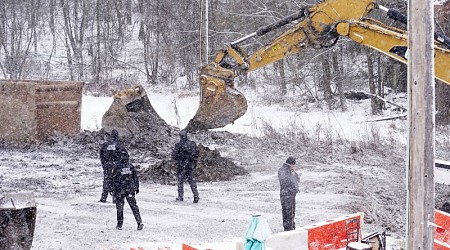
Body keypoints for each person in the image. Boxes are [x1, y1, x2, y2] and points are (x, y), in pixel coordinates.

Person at [107, 131, 143, 231]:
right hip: (129, 189)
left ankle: (120, 224)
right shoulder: (131, 166)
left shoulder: (117, 167)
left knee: (120, 207)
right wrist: (136, 187)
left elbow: (113, 179)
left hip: (120, 190)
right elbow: (136, 178)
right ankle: (139, 222)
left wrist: (111, 189)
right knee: (133, 206)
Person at [99, 129, 127, 203]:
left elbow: (101, 155)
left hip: (107, 166)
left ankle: (103, 198)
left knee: (106, 181)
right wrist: (122, 165)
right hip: (117, 166)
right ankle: (115, 198)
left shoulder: (105, 144)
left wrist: (104, 165)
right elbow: (125, 156)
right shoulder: (119, 145)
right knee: (116, 181)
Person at [172, 130, 200, 203]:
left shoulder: (178, 145)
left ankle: (180, 197)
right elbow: (197, 154)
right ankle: (196, 196)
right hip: (191, 166)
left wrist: (179, 158)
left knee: (180, 182)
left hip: (181, 166)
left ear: (180, 137)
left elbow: (174, 156)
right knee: (192, 182)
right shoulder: (193, 144)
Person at [278, 156, 301, 231]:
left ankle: (286, 227)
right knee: (290, 212)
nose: (294, 167)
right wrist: (295, 189)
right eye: (294, 165)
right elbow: (293, 181)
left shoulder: (281, 170)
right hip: (289, 194)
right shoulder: (290, 171)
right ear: (291, 164)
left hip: (283, 193)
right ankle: (290, 229)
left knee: (284, 211)